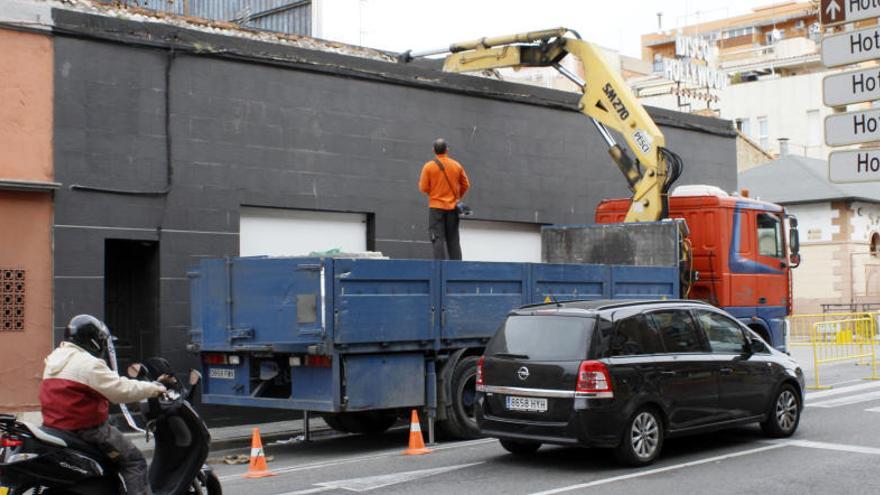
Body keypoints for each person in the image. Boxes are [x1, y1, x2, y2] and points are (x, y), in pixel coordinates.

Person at [39, 314, 168, 495]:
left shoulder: (55, 358)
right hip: (87, 431)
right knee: (134, 461)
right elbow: (121, 390)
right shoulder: (87, 363)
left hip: (55, 427)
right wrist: (154, 389)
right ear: (93, 341)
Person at [418, 138, 471, 260]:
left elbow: (423, 187)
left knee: (437, 238)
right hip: (452, 208)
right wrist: (457, 197)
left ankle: (439, 268)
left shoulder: (428, 167)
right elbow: (466, 184)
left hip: (436, 208)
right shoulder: (456, 165)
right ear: (447, 149)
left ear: (433, 150)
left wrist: (434, 193)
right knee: (453, 239)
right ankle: (456, 269)